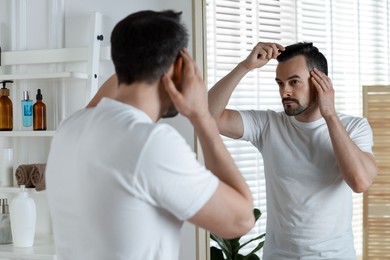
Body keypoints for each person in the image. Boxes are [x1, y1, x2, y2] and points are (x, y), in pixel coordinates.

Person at [46, 10, 255, 260]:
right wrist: (201, 117)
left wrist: (146, 59)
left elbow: (101, 101)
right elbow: (241, 220)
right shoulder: (150, 143)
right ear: (180, 67)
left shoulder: (70, 128)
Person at [208, 42, 377, 259]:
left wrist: (330, 116)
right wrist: (244, 67)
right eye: (280, 83)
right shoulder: (268, 125)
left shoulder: (355, 127)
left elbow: (360, 181)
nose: (285, 91)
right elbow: (207, 116)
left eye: (294, 82)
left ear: (319, 82)